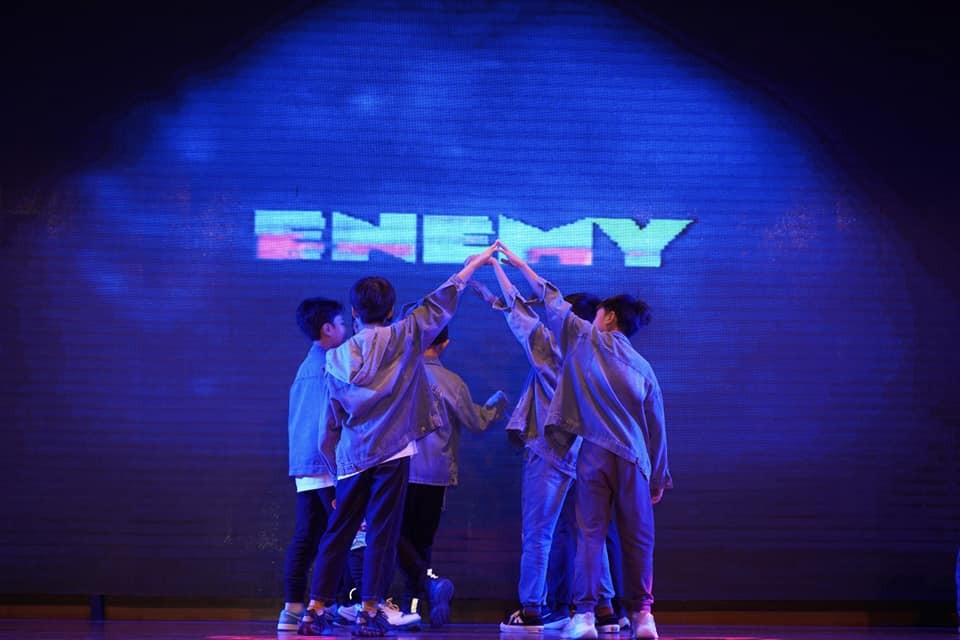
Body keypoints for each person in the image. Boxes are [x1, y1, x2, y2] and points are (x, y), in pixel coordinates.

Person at [297, 243, 500, 637]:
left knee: (339, 532)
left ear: (354, 312)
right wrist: (472, 267)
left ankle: (315, 609)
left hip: (352, 456)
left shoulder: (336, 357)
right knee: (382, 534)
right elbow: (439, 304)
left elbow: (329, 423)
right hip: (393, 453)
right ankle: (370, 610)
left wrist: (332, 466)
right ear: (391, 311)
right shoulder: (405, 336)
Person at [496, 241, 672, 640]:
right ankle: (637, 614)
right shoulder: (642, 366)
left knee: (576, 534)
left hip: (578, 452)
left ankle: (571, 613)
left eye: (598, 315)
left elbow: (542, 300)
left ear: (607, 318)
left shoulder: (583, 341)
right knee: (632, 538)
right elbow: (657, 425)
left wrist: (511, 263)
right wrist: (659, 476)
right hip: (628, 458)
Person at [470, 261, 619, 634]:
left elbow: (518, 312)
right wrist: (492, 294)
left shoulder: (549, 349)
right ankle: (605, 609)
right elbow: (517, 309)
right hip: (585, 452)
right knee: (590, 533)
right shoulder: (601, 354)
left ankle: (532, 608)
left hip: (549, 450)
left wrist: (496, 265)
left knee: (538, 533)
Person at [395, 324, 509, 626]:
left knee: (395, 535)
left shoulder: (399, 377)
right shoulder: (453, 382)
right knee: (421, 541)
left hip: (401, 470)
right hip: (436, 474)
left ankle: (416, 600)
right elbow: (476, 422)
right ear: (445, 344)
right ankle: (418, 600)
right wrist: (494, 408)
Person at [276, 298, 349, 632]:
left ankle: (292, 609)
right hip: (326, 463)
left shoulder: (305, 368)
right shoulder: (329, 365)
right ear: (328, 328)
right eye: (342, 323)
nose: (347, 329)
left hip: (305, 464)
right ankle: (335, 606)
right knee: (343, 536)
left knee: (307, 535)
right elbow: (331, 421)